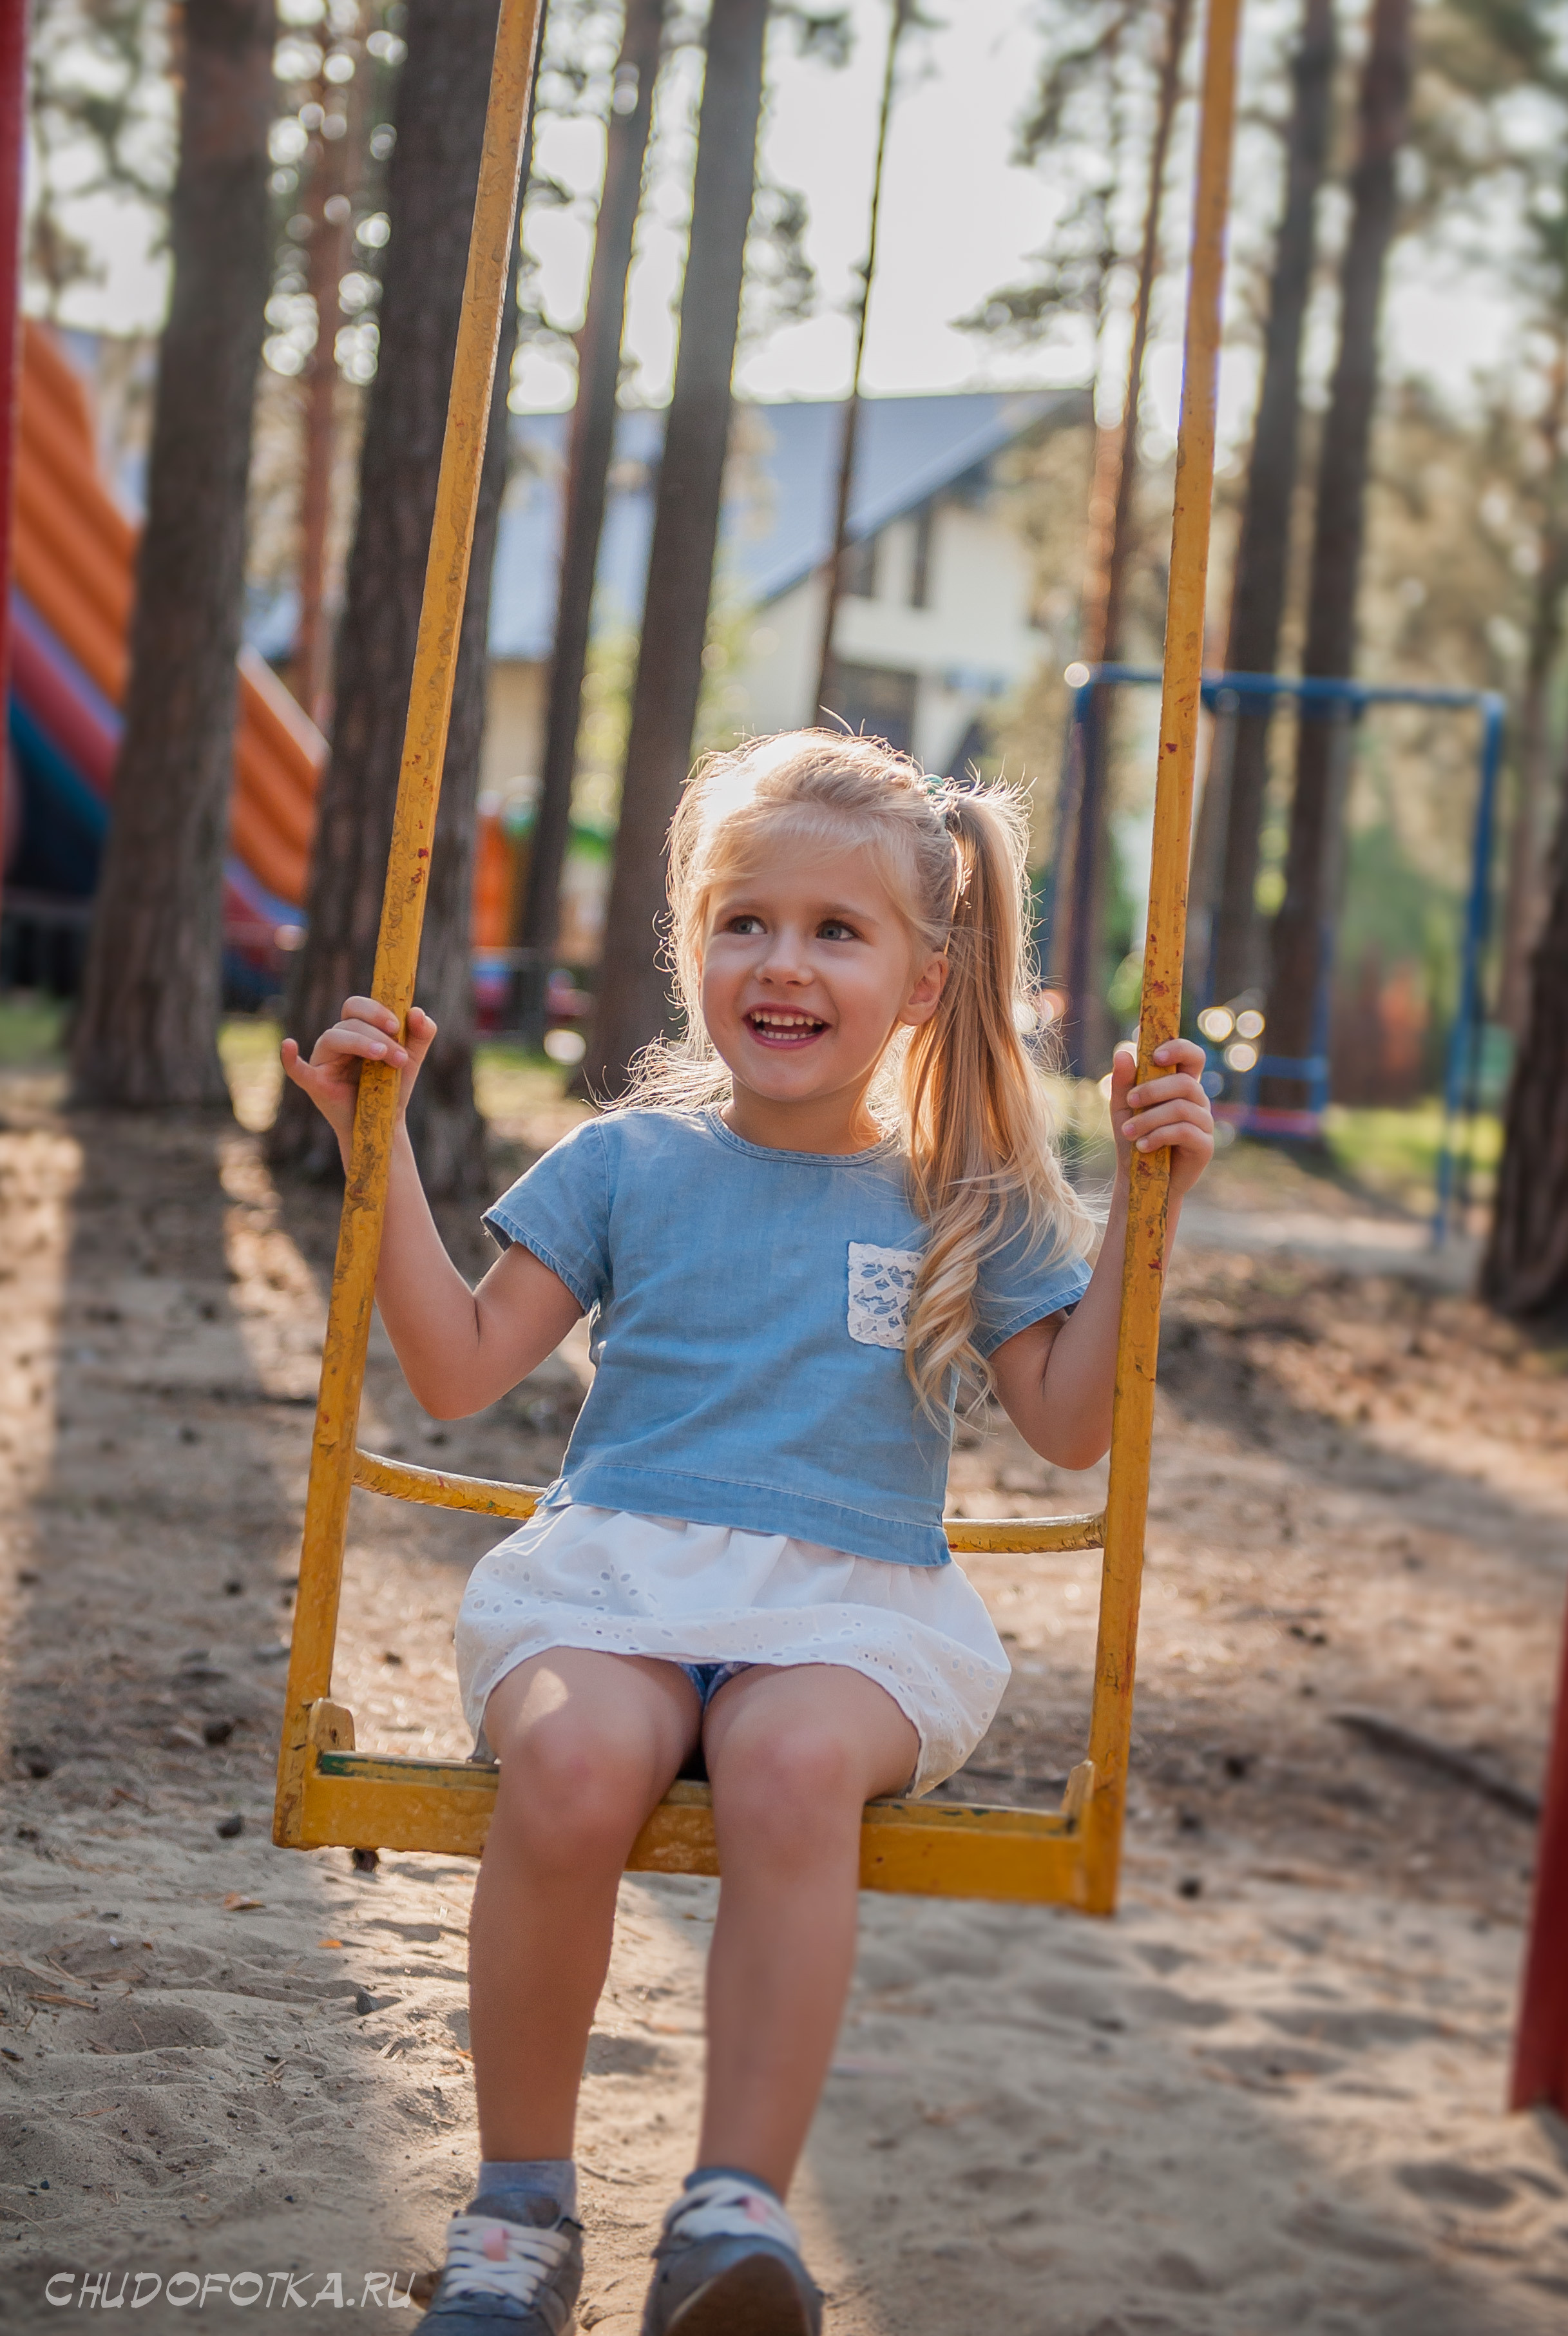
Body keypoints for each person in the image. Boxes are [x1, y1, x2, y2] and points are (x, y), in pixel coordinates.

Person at [282, 732, 1214, 2336]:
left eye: (835, 931)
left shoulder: (961, 1191)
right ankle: (518, 2211)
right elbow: (453, 1369)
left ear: (924, 980)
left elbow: (1067, 1424)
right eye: (743, 922)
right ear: (693, 946)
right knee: (572, 1765)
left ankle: (730, 2216)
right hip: (619, 1576)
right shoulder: (625, 1164)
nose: (780, 964)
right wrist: (378, 1157)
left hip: (847, 1613)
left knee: (788, 1767)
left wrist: (1143, 1210)